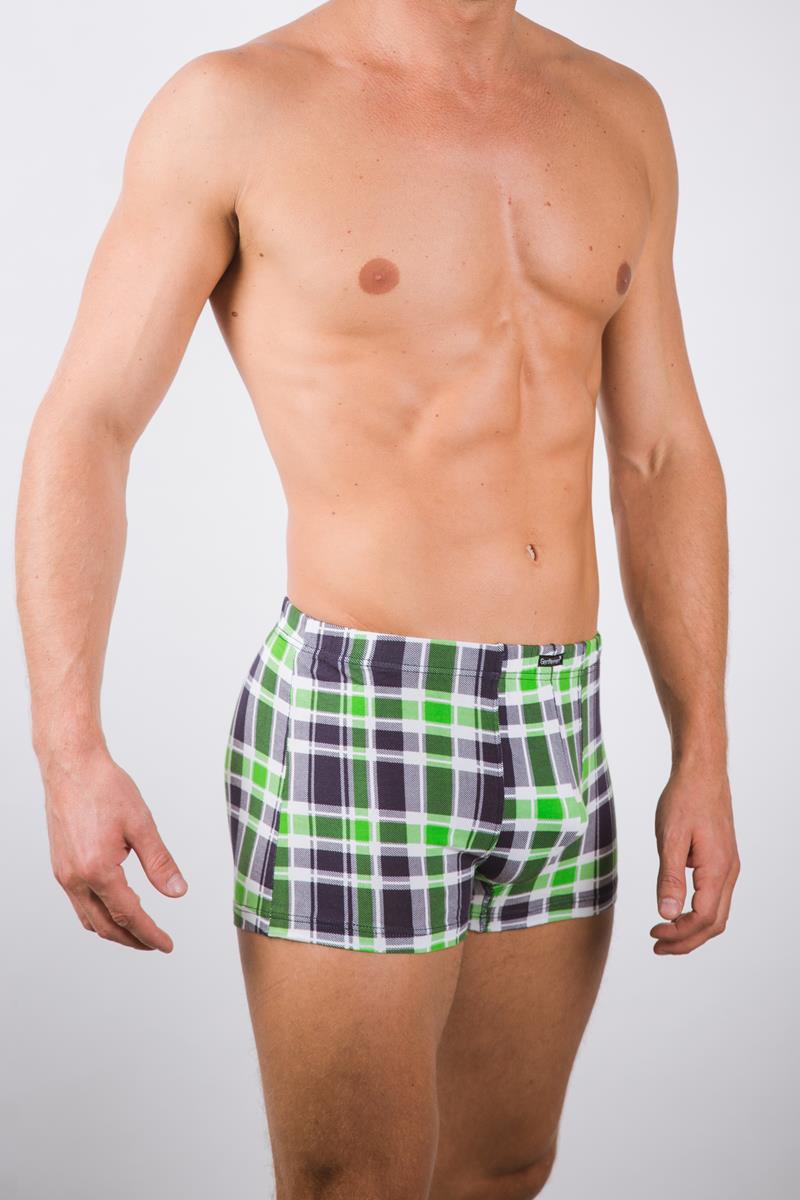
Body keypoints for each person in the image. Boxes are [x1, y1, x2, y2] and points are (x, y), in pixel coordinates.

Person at [14, 2, 740, 1197]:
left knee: (506, 1168)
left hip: (560, 711)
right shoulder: (237, 106)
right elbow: (85, 425)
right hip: (360, 708)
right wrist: (68, 748)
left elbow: (659, 453)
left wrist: (700, 746)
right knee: (355, 1183)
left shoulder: (616, 110)